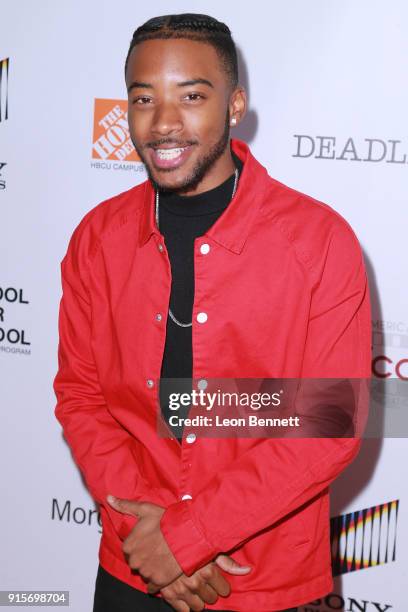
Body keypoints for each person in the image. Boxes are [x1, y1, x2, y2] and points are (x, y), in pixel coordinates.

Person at [53, 13, 371, 612]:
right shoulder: (98, 237)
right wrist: (151, 541)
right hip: (134, 568)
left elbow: (328, 427)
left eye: (191, 96)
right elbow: (82, 396)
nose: (163, 122)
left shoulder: (319, 241)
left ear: (235, 105)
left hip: (262, 577)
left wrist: (188, 536)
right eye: (143, 98)